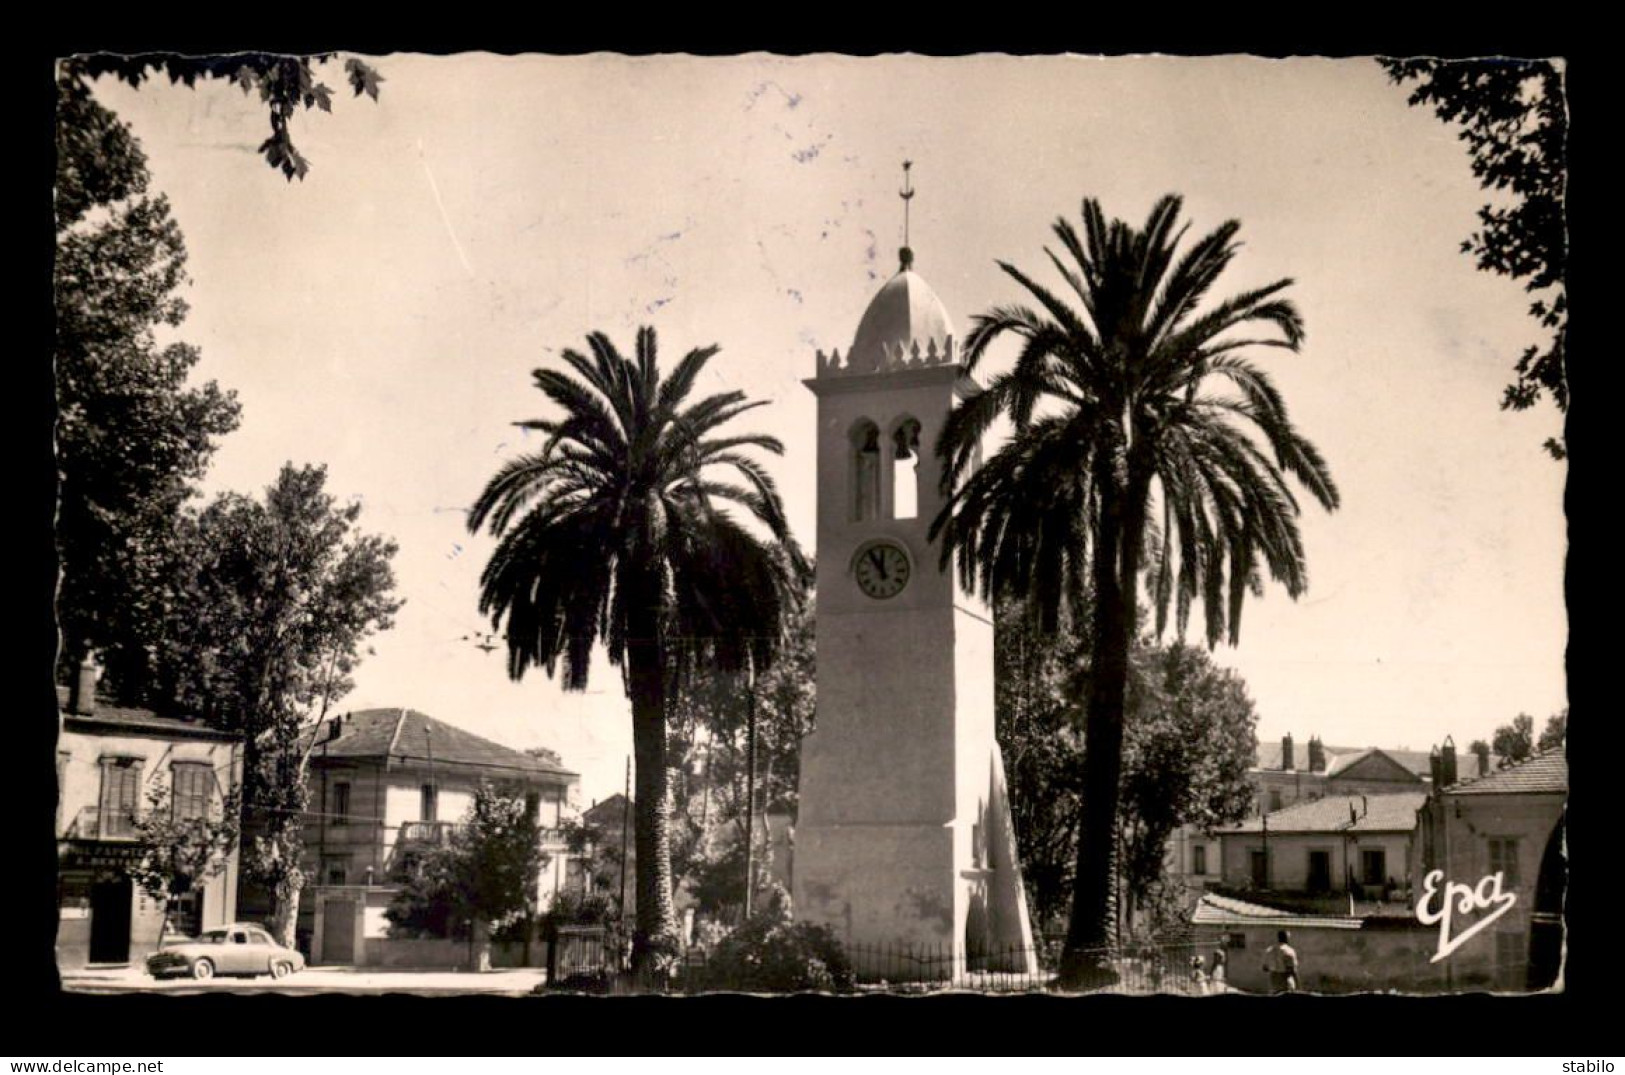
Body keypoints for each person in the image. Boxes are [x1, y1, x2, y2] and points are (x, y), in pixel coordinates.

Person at [1262, 929, 1299, 993]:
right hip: (1285, 980)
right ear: (1287, 938)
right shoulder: (1289, 951)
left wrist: (1273, 967)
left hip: (1273, 980)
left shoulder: (1270, 950)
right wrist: (1297, 984)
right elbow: (1292, 969)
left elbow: (1265, 968)